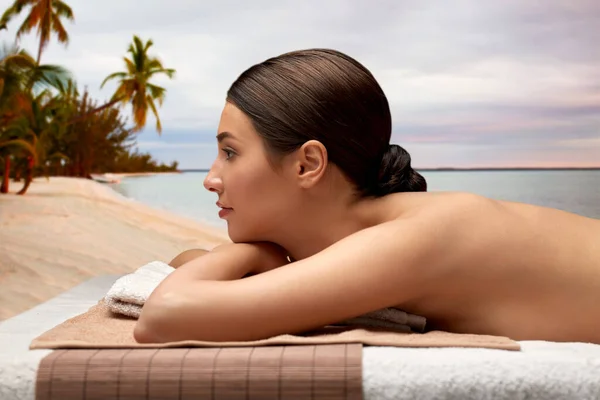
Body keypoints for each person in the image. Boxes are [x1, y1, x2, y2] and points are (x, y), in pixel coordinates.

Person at [134, 49, 600, 344]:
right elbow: (187, 263)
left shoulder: (414, 239)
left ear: (307, 164)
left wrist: (256, 254)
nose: (211, 179)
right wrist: (256, 257)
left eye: (230, 152)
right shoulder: (373, 238)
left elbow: (165, 316)